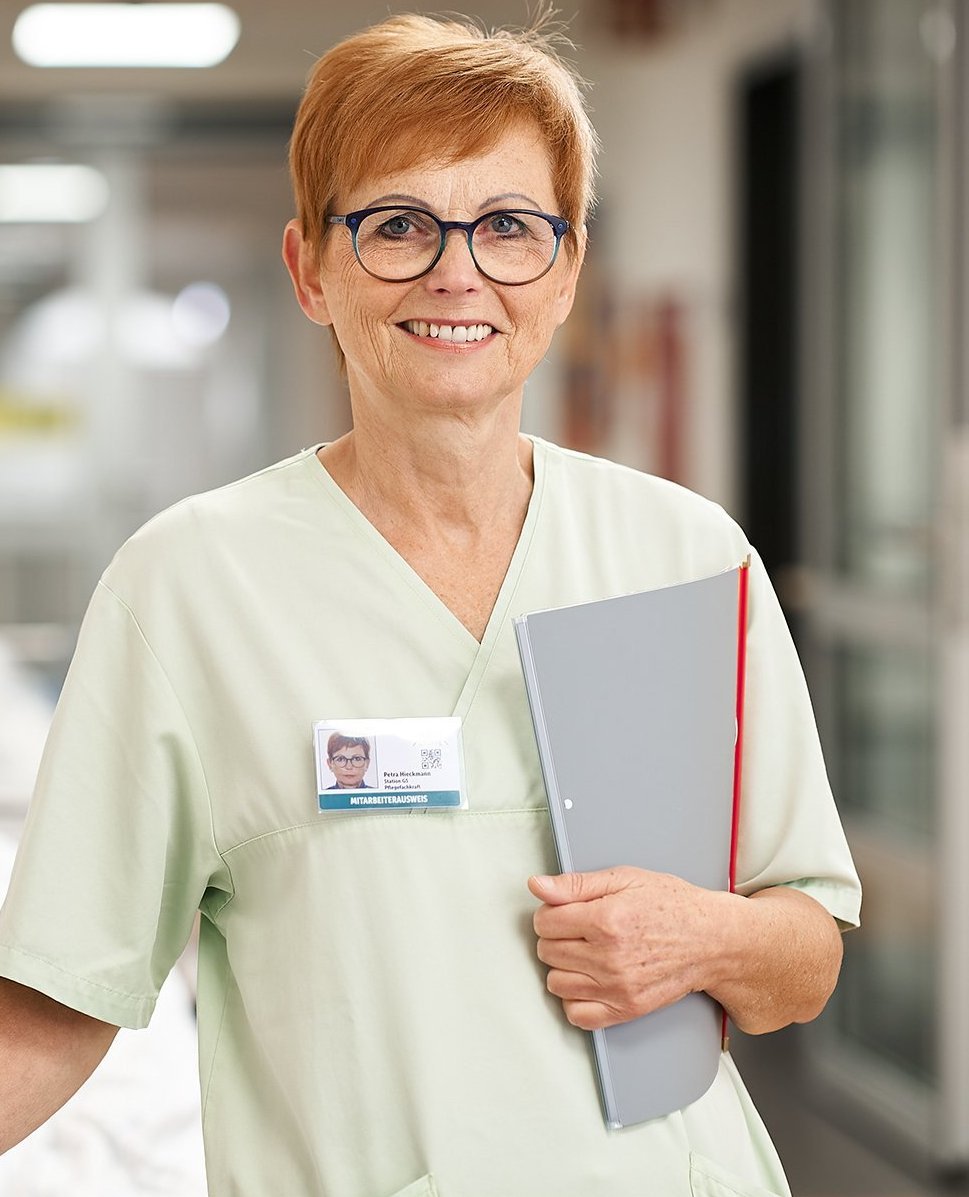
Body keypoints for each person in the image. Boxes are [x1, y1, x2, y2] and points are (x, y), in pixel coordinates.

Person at [0, 12, 861, 1197]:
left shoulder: (685, 553)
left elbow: (804, 956)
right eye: (397, 225)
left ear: (565, 275)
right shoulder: (190, 586)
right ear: (312, 270)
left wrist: (706, 938)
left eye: (509, 226)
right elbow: (56, 1004)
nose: (457, 270)